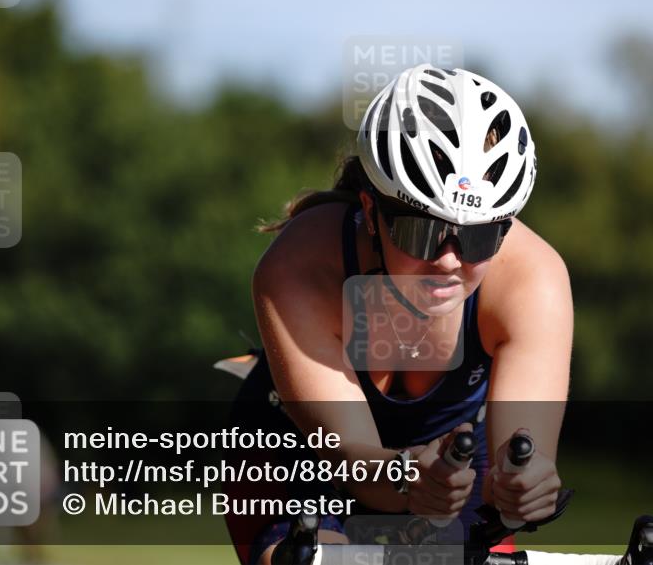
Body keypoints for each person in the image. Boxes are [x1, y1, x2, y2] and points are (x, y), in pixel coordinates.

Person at [223, 64, 574, 565]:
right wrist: (407, 478)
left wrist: (523, 486)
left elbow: (518, 462)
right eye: (422, 233)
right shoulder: (300, 267)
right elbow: (352, 461)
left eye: (479, 236)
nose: (449, 260)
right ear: (371, 210)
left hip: (450, 461)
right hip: (303, 454)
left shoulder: (532, 278)